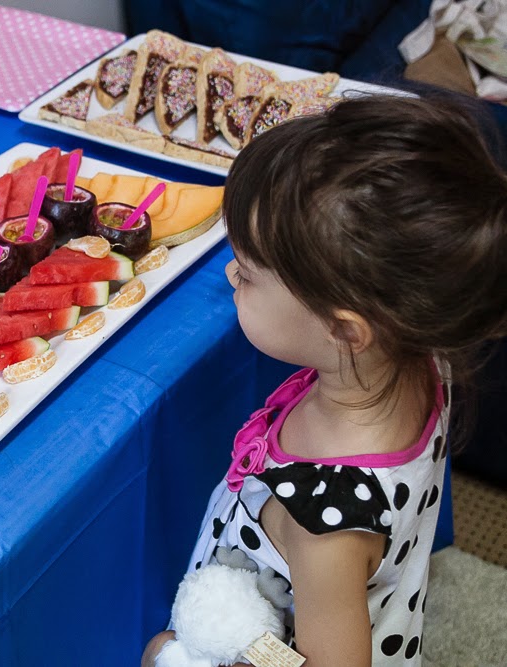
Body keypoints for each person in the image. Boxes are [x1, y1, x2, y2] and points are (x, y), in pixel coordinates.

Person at [142, 95, 507, 666]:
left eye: (250, 273)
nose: (230, 273)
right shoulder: (420, 351)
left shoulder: (321, 523)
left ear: (344, 330)